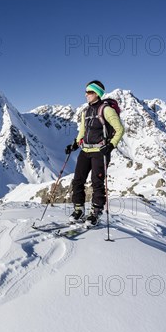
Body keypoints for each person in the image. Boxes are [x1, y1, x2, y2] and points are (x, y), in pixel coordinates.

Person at [65, 80, 124, 226]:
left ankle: (95, 213)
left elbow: (120, 129)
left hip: (100, 152)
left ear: (97, 93)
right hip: (85, 151)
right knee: (78, 180)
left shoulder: (106, 110)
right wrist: (75, 144)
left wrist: (111, 145)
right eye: (86, 92)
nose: (86, 95)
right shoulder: (86, 111)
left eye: (90, 92)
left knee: (97, 183)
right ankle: (78, 210)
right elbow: (83, 131)